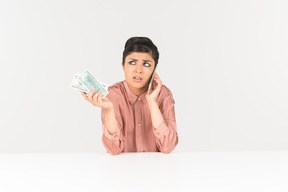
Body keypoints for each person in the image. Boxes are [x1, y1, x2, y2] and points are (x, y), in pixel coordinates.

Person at [81, 36, 178, 155]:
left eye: (146, 64)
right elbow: (114, 149)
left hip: (156, 170)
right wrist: (109, 109)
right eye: (132, 63)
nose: (138, 70)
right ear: (123, 66)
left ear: (154, 69)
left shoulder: (164, 94)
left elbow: (168, 147)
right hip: (120, 170)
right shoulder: (112, 95)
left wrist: (152, 103)